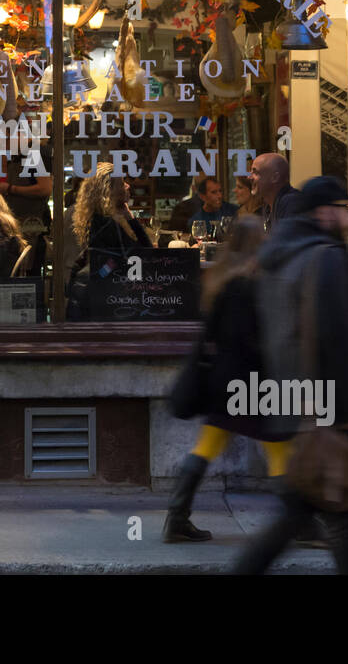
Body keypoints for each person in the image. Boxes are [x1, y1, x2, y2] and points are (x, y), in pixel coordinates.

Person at [235, 177, 348, 575]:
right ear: (325, 212)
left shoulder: (281, 255)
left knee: (306, 512)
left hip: (293, 398)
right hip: (323, 405)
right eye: (344, 207)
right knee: (332, 513)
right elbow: (337, 340)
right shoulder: (324, 257)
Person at [164, 218, 293, 543]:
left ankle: (177, 518)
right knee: (279, 448)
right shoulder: (246, 283)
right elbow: (248, 340)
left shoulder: (221, 278)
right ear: (256, 243)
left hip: (225, 381)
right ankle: (300, 521)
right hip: (248, 384)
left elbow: (215, 334)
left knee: (207, 447)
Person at [66, 162, 152, 319]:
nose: (127, 186)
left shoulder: (98, 219)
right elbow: (146, 253)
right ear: (110, 190)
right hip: (113, 302)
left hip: (103, 298)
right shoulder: (108, 224)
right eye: (122, 182)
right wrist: (132, 221)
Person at [167, 174, 239, 234]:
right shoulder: (196, 221)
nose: (219, 196)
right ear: (202, 196)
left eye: (220, 191)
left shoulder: (231, 210)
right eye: (214, 192)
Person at [249, 152, 300, 232]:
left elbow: (286, 242)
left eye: (255, 172)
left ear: (275, 177)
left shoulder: (292, 204)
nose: (249, 177)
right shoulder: (267, 207)